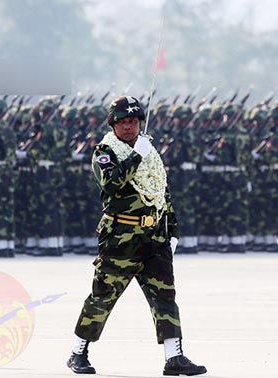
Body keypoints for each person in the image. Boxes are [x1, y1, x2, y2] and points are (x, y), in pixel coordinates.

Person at [67, 95, 207, 376]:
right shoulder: (105, 151)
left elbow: (161, 192)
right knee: (103, 296)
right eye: (123, 121)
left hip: (154, 236)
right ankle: (77, 352)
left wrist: (173, 230)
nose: (128, 127)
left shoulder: (150, 152)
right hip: (121, 237)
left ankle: (174, 356)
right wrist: (136, 155)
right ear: (113, 124)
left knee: (165, 296)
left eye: (133, 121)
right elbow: (111, 184)